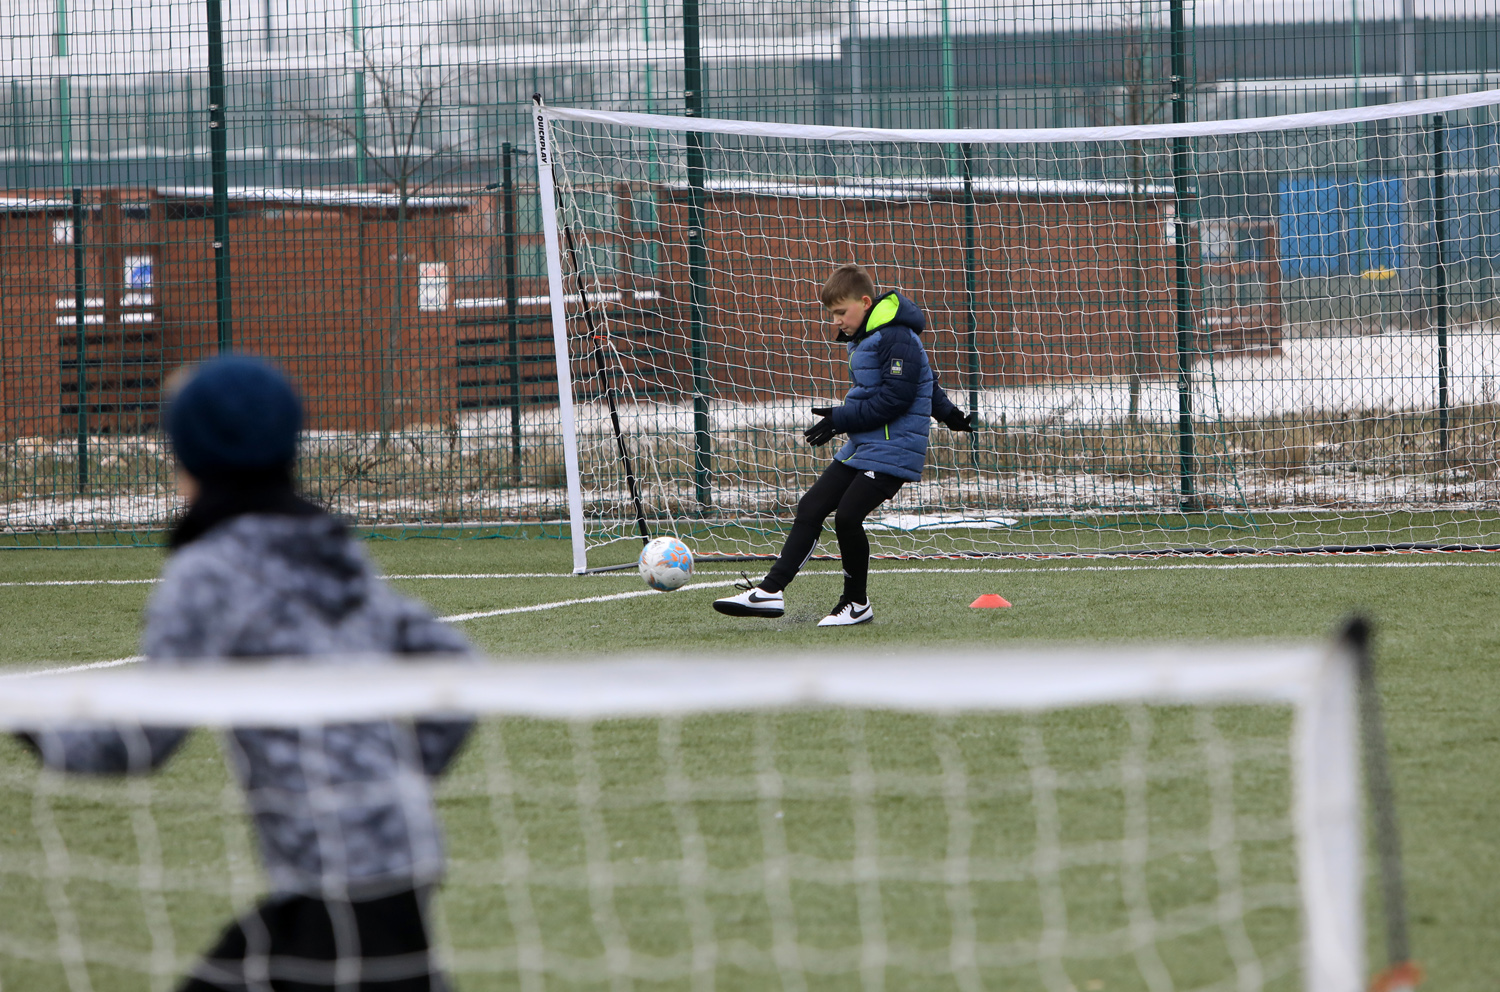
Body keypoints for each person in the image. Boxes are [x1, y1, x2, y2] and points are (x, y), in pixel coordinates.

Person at [19, 355, 472, 991]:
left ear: (191, 456)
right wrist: (399, 780)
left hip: (339, 879)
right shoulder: (329, 546)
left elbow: (139, 739)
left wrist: (25, 717)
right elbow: (456, 664)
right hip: (394, 855)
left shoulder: (208, 573)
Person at [713, 264, 974, 626]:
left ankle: (856, 603)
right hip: (866, 444)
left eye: (840, 312)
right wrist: (949, 413)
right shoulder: (868, 337)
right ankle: (770, 592)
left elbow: (896, 398)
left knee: (848, 517)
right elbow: (924, 383)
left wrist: (841, 418)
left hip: (894, 448)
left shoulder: (896, 335)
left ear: (865, 303)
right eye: (831, 314)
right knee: (812, 506)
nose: (835, 321)